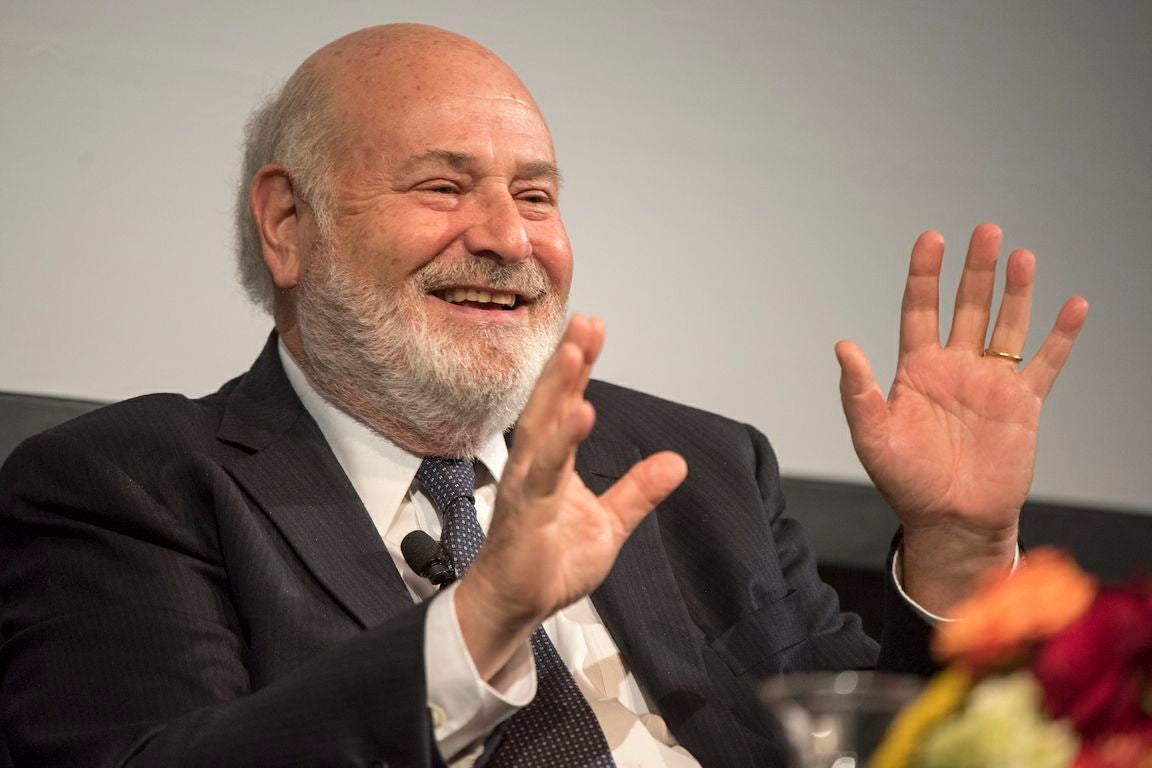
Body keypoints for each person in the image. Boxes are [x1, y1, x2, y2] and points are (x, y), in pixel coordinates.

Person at [0, 23, 1087, 768]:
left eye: (535, 195)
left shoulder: (700, 470)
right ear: (288, 223)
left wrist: (957, 544)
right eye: (442, 186)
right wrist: (479, 621)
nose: (509, 238)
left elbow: (882, 740)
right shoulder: (131, 484)